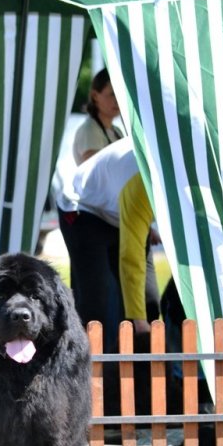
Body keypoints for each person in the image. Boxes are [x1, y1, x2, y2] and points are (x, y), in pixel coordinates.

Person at [56, 137, 160, 352]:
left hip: (119, 207)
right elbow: (131, 259)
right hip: (82, 206)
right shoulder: (143, 181)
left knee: (150, 301)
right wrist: (138, 320)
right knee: (97, 305)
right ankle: (88, 366)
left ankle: (139, 368)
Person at [72, 68, 124, 165]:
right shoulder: (90, 130)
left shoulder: (117, 131)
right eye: (112, 94)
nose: (117, 100)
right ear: (95, 96)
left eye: (120, 93)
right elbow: (96, 173)